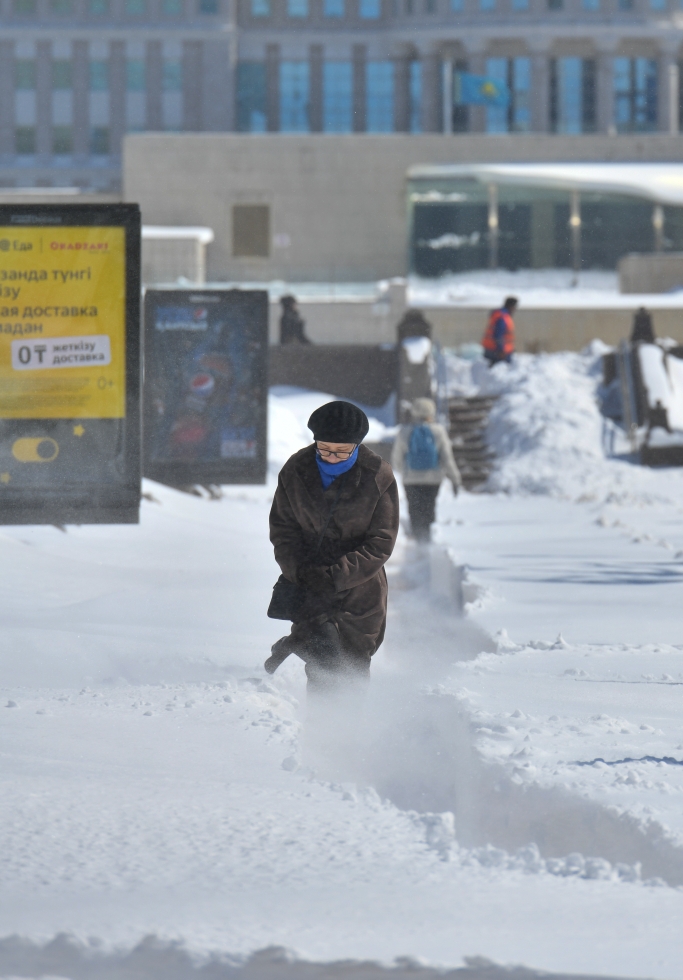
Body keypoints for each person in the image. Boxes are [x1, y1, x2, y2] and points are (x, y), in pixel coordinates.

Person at [266, 400, 399, 692]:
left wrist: (336, 575)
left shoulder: (377, 474)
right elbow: (282, 530)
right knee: (323, 659)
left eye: (342, 451)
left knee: (354, 663)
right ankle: (320, 730)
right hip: (308, 580)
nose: (332, 457)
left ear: (357, 445)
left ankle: (350, 732)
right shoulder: (295, 469)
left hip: (360, 587)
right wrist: (300, 571)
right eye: (324, 449)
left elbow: (381, 541)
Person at [391, 397, 462, 543]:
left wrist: (405, 471)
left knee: (415, 510)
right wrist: (455, 479)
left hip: (411, 479)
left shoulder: (404, 431)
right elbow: (447, 458)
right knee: (428, 508)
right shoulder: (438, 431)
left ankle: (418, 542)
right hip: (433, 479)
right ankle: (427, 540)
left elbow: (396, 458)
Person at [482, 296, 517, 365]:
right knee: (499, 373)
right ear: (511, 306)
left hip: (493, 349)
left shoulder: (500, 315)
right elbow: (498, 334)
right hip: (497, 352)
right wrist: (501, 350)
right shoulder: (503, 317)